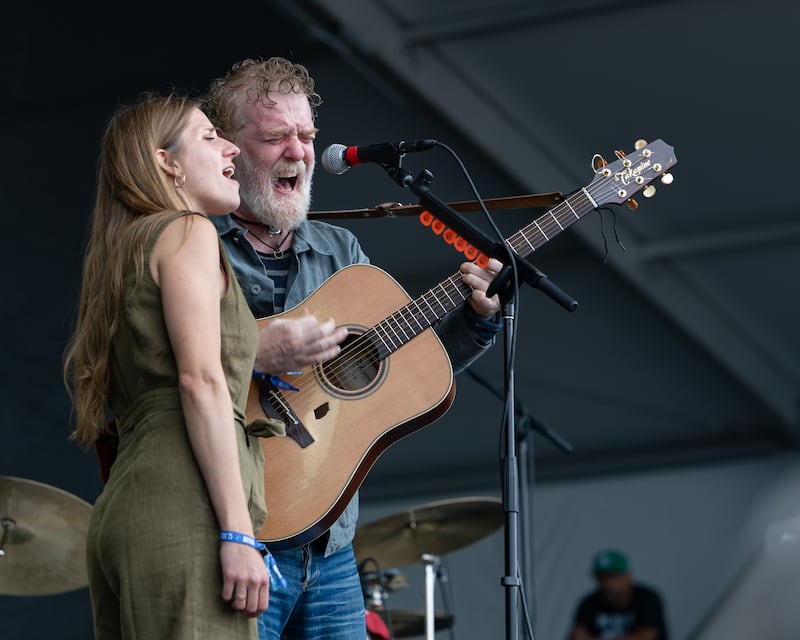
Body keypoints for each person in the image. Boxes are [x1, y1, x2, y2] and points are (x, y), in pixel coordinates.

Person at [203, 57, 505, 640]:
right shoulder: (190, 244)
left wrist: (477, 318)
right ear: (227, 149)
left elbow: (398, 370)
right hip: (231, 535)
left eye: (307, 136)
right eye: (275, 136)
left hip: (332, 544)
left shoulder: (342, 250)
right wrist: (251, 353)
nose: (299, 151)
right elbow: (150, 371)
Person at [63, 92, 279, 639]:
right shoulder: (187, 231)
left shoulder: (128, 248)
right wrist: (237, 532)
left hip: (130, 508)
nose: (230, 146)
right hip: (184, 507)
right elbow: (201, 380)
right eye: (209, 136)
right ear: (167, 162)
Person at [568, 549, 669, 640]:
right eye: (601, 577)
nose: (606, 583)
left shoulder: (647, 598)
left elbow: (647, 635)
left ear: (628, 576)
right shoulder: (589, 603)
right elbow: (577, 635)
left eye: (612, 576)